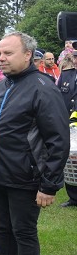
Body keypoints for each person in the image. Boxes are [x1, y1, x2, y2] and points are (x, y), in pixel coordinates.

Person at [0, 31, 69, 255]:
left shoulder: (43, 88)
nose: (1, 58)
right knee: (2, 230)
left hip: (26, 178)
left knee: (23, 232)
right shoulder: (2, 86)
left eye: (8, 53)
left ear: (28, 55)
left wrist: (50, 185)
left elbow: (58, 140)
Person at [56, 49, 77, 208]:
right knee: (70, 160)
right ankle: (73, 197)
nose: (76, 60)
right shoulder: (66, 74)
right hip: (68, 124)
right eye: (76, 56)